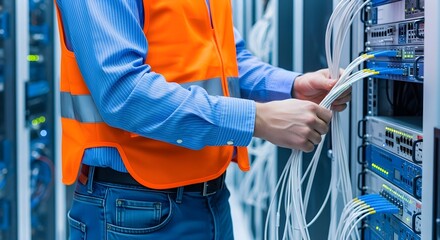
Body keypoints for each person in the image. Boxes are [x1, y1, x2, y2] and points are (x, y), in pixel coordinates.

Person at [55, 0, 351, 239]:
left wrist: (291, 86)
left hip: (211, 199)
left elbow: (226, 60)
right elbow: (122, 92)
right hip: (132, 210)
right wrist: (255, 119)